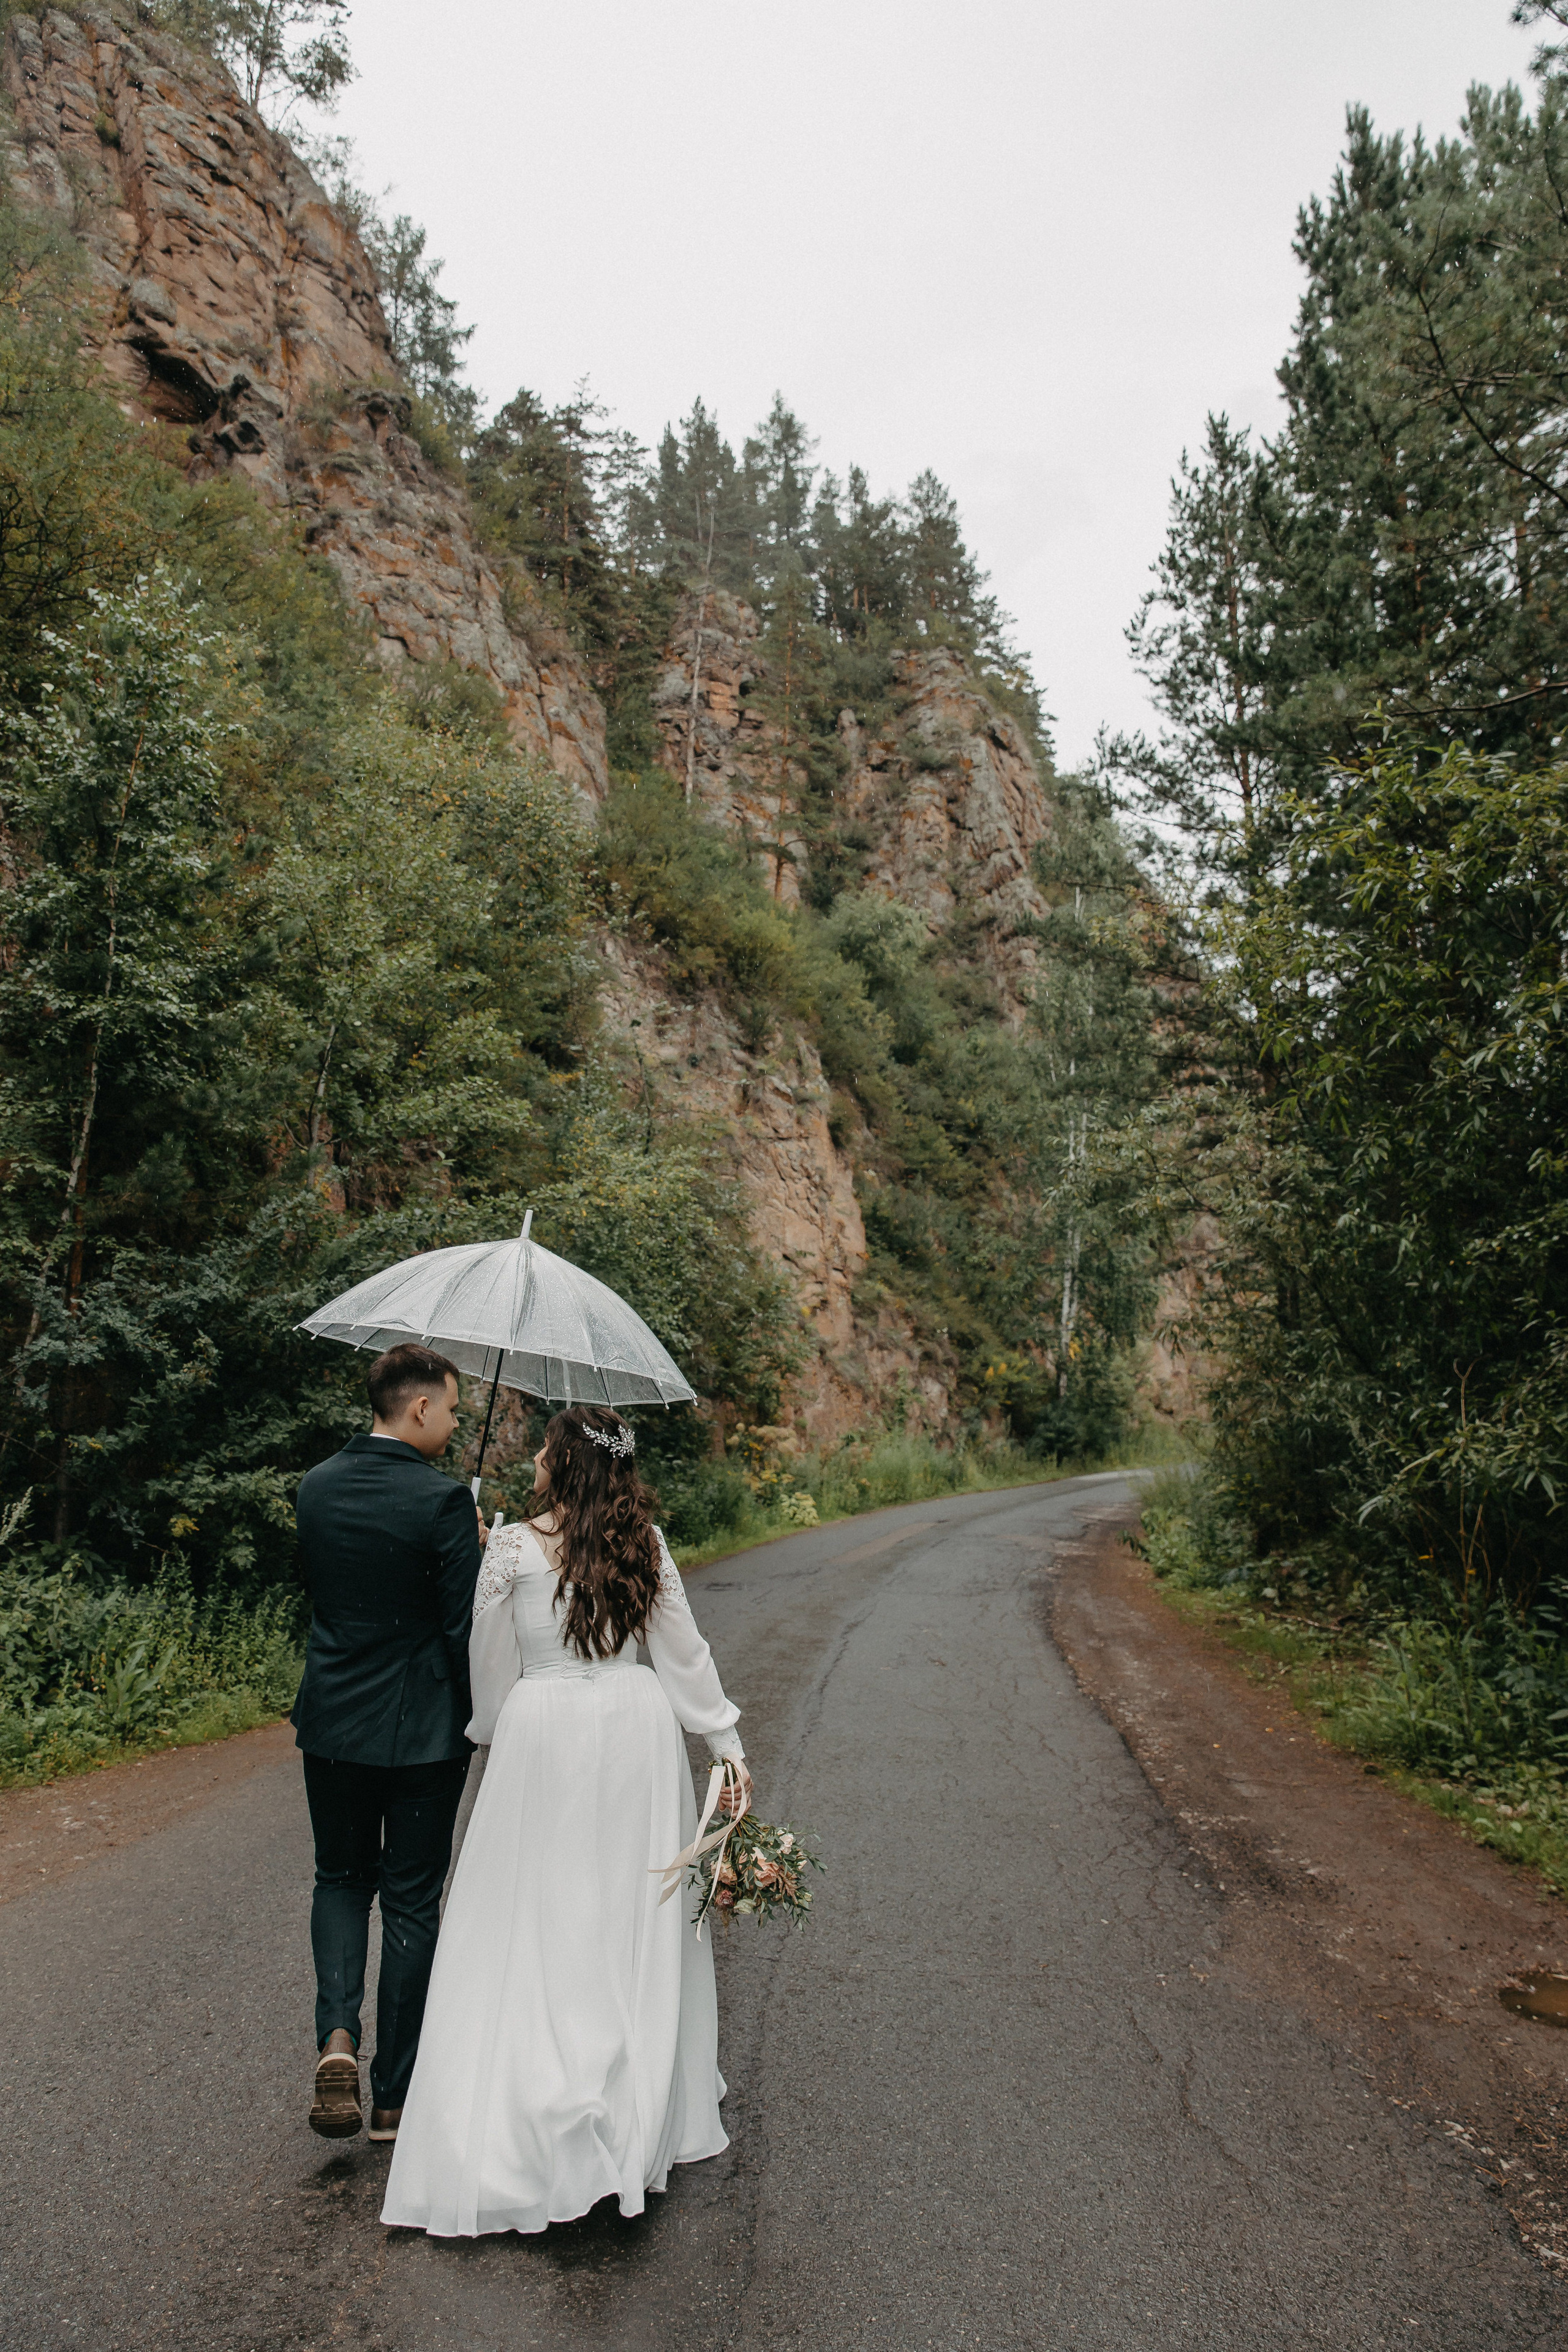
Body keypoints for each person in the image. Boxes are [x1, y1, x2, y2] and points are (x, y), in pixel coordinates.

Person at [380, 1404, 750, 2237]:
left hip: (541, 1732)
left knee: (540, 1913)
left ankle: (534, 2092)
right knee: (624, 1914)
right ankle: (625, 2086)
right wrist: (724, 1743)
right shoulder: (644, 1546)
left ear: (560, 1463)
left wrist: (494, 1729)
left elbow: (489, 1667)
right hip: (634, 1727)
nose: (538, 1461)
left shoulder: (508, 1546)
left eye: (546, 1450)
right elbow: (684, 1654)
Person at [292, 1342, 486, 2144]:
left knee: (339, 1880)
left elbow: (325, 1594)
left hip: (332, 1721)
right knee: (410, 1904)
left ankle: (336, 2035)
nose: (451, 1419)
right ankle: (391, 2102)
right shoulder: (441, 1504)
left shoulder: (316, 1487)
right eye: (449, 1407)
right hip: (421, 1736)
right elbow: (459, 1631)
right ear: (419, 1408)